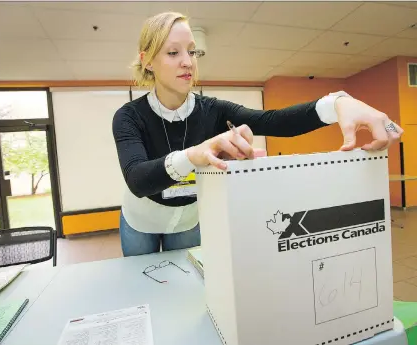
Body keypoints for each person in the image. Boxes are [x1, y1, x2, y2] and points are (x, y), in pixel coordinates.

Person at [112, 11, 403, 257]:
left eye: (192, 51)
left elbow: (273, 121)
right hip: (141, 219)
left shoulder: (213, 110)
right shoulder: (128, 116)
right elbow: (138, 179)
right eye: (173, 52)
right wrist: (194, 154)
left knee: (183, 287)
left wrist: (337, 103)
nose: (188, 61)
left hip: (189, 219)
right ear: (148, 60)